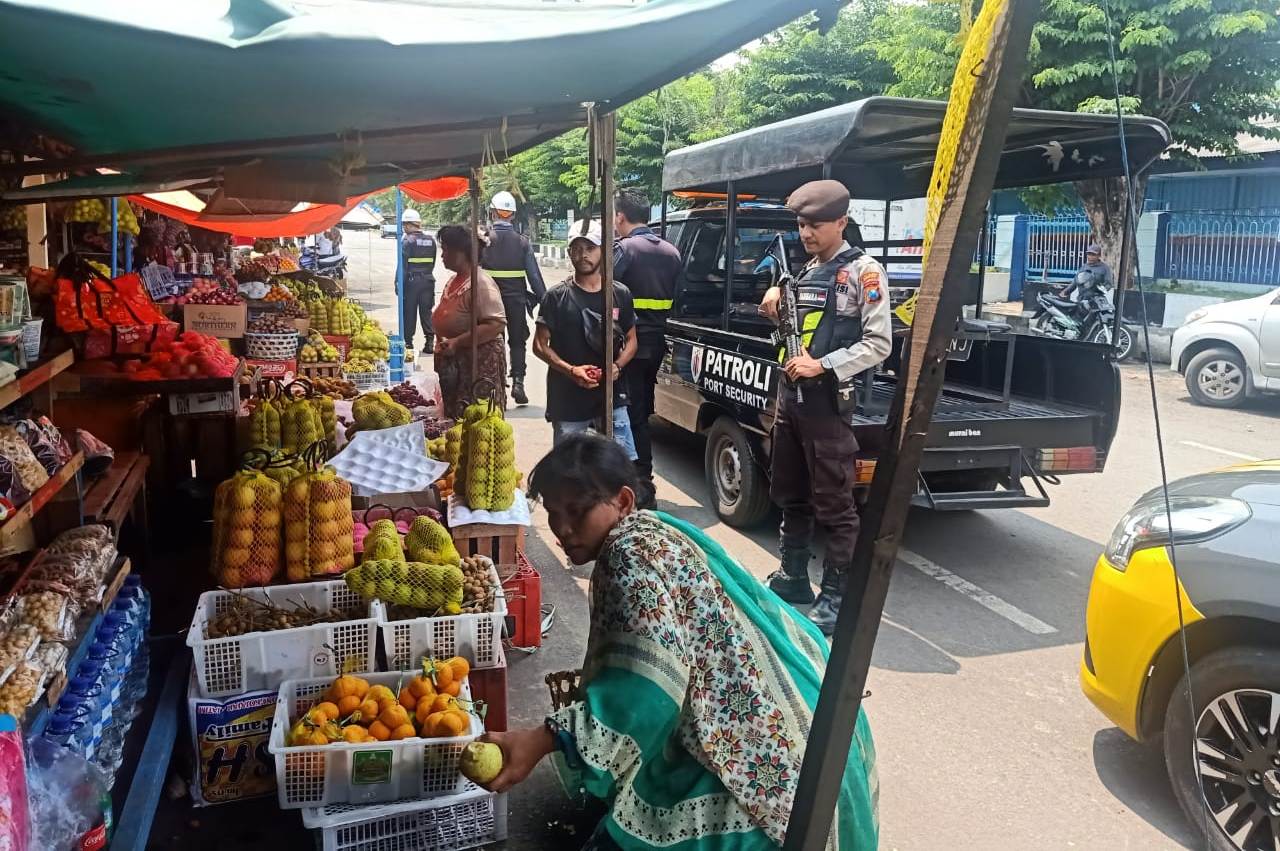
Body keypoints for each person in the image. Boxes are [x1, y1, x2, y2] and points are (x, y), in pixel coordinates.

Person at [477, 434, 879, 850]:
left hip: (767, 768)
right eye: (554, 514)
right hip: (809, 721)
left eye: (577, 512)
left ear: (624, 501)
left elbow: (645, 690)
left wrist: (541, 740)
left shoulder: (627, 557)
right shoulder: (657, 528)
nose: (563, 529)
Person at [758, 180, 892, 635]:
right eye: (801, 225)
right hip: (790, 402)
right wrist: (776, 298)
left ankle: (836, 595)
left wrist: (823, 365)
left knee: (835, 502)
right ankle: (793, 575)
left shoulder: (863, 272)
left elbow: (879, 343)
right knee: (791, 491)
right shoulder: (804, 270)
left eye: (815, 225)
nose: (806, 233)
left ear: (841, 222)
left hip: (827, 406)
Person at [534, 225, 639, 460]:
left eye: (590, 248)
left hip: (611, 397)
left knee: (619, 465)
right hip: (568, 400)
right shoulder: (556, 297)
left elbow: (632, 340)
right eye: (577, 249)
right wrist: (570, 370)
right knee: (570, 469)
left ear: (603, 250)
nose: (583, 255)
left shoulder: (619, 294)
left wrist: (617, 366)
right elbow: (540, 345)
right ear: (569, 253)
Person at [613, 189, 682, 510]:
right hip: (656, 344)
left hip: (627, 346)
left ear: (620, 216)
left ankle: (641, 484)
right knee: (640, 410)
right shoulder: (671, 252)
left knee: (629, 414)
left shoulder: (624, 250)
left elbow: (604, 291)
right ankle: (639, 479)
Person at [431, 225, 507, 417]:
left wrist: (458, 342)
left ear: (462, 253)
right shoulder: (455, 280)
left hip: (477, 366)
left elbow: (496, 324)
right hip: (455, 365)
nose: (442, 255)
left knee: (475, 420)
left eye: (446, 250)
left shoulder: (480, 284)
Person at [482, 191, 547, 406]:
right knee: (517, 341)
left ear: (492, 213)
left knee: (494, 342)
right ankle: (518, 382)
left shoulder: (484, 241)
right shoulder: (522, 242)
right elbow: (534, 277)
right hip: (516, 301)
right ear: (513, 215)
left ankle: (497, 385)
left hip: (489, 302)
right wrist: (546, 301)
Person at [399, 208, 439, 354]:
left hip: (411, 282)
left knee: (409, 312)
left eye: (404, 225)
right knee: (426, 312)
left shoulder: (407, 241)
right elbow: (432, 263)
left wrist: (399, 284)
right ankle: (429, 342)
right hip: (428, 281)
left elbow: (403, 267)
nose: (403, 228)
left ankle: (408, 343)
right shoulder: (431, 241)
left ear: (409, 224)